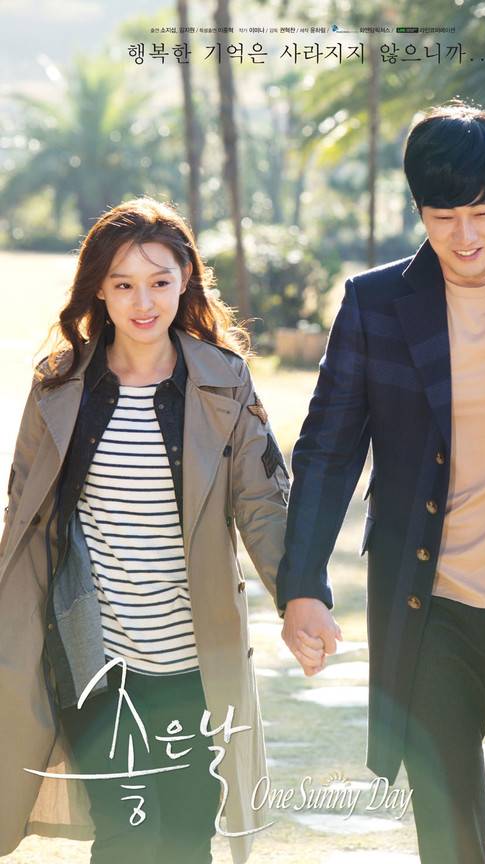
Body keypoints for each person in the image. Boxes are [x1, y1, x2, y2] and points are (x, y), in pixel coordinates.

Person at [277, 100, 485, 863]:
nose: (465, 237)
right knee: (450, 840)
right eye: (442, 216)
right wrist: (302, 586)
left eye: (481, 213)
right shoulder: (375, 304)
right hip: (431, 615)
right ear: (418, 210)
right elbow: (327, 450)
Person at [0, 197, 305, 864]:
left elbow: (262, 503)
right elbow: (23, 512)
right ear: (99, 292)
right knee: (128, 834)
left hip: (193, 664)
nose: (144, 302)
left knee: (188, 835)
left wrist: (300, 598)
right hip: (93, 659)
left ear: (185, 279)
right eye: (123, 285)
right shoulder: (59, 387)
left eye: (160, 281)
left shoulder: (222, 383)